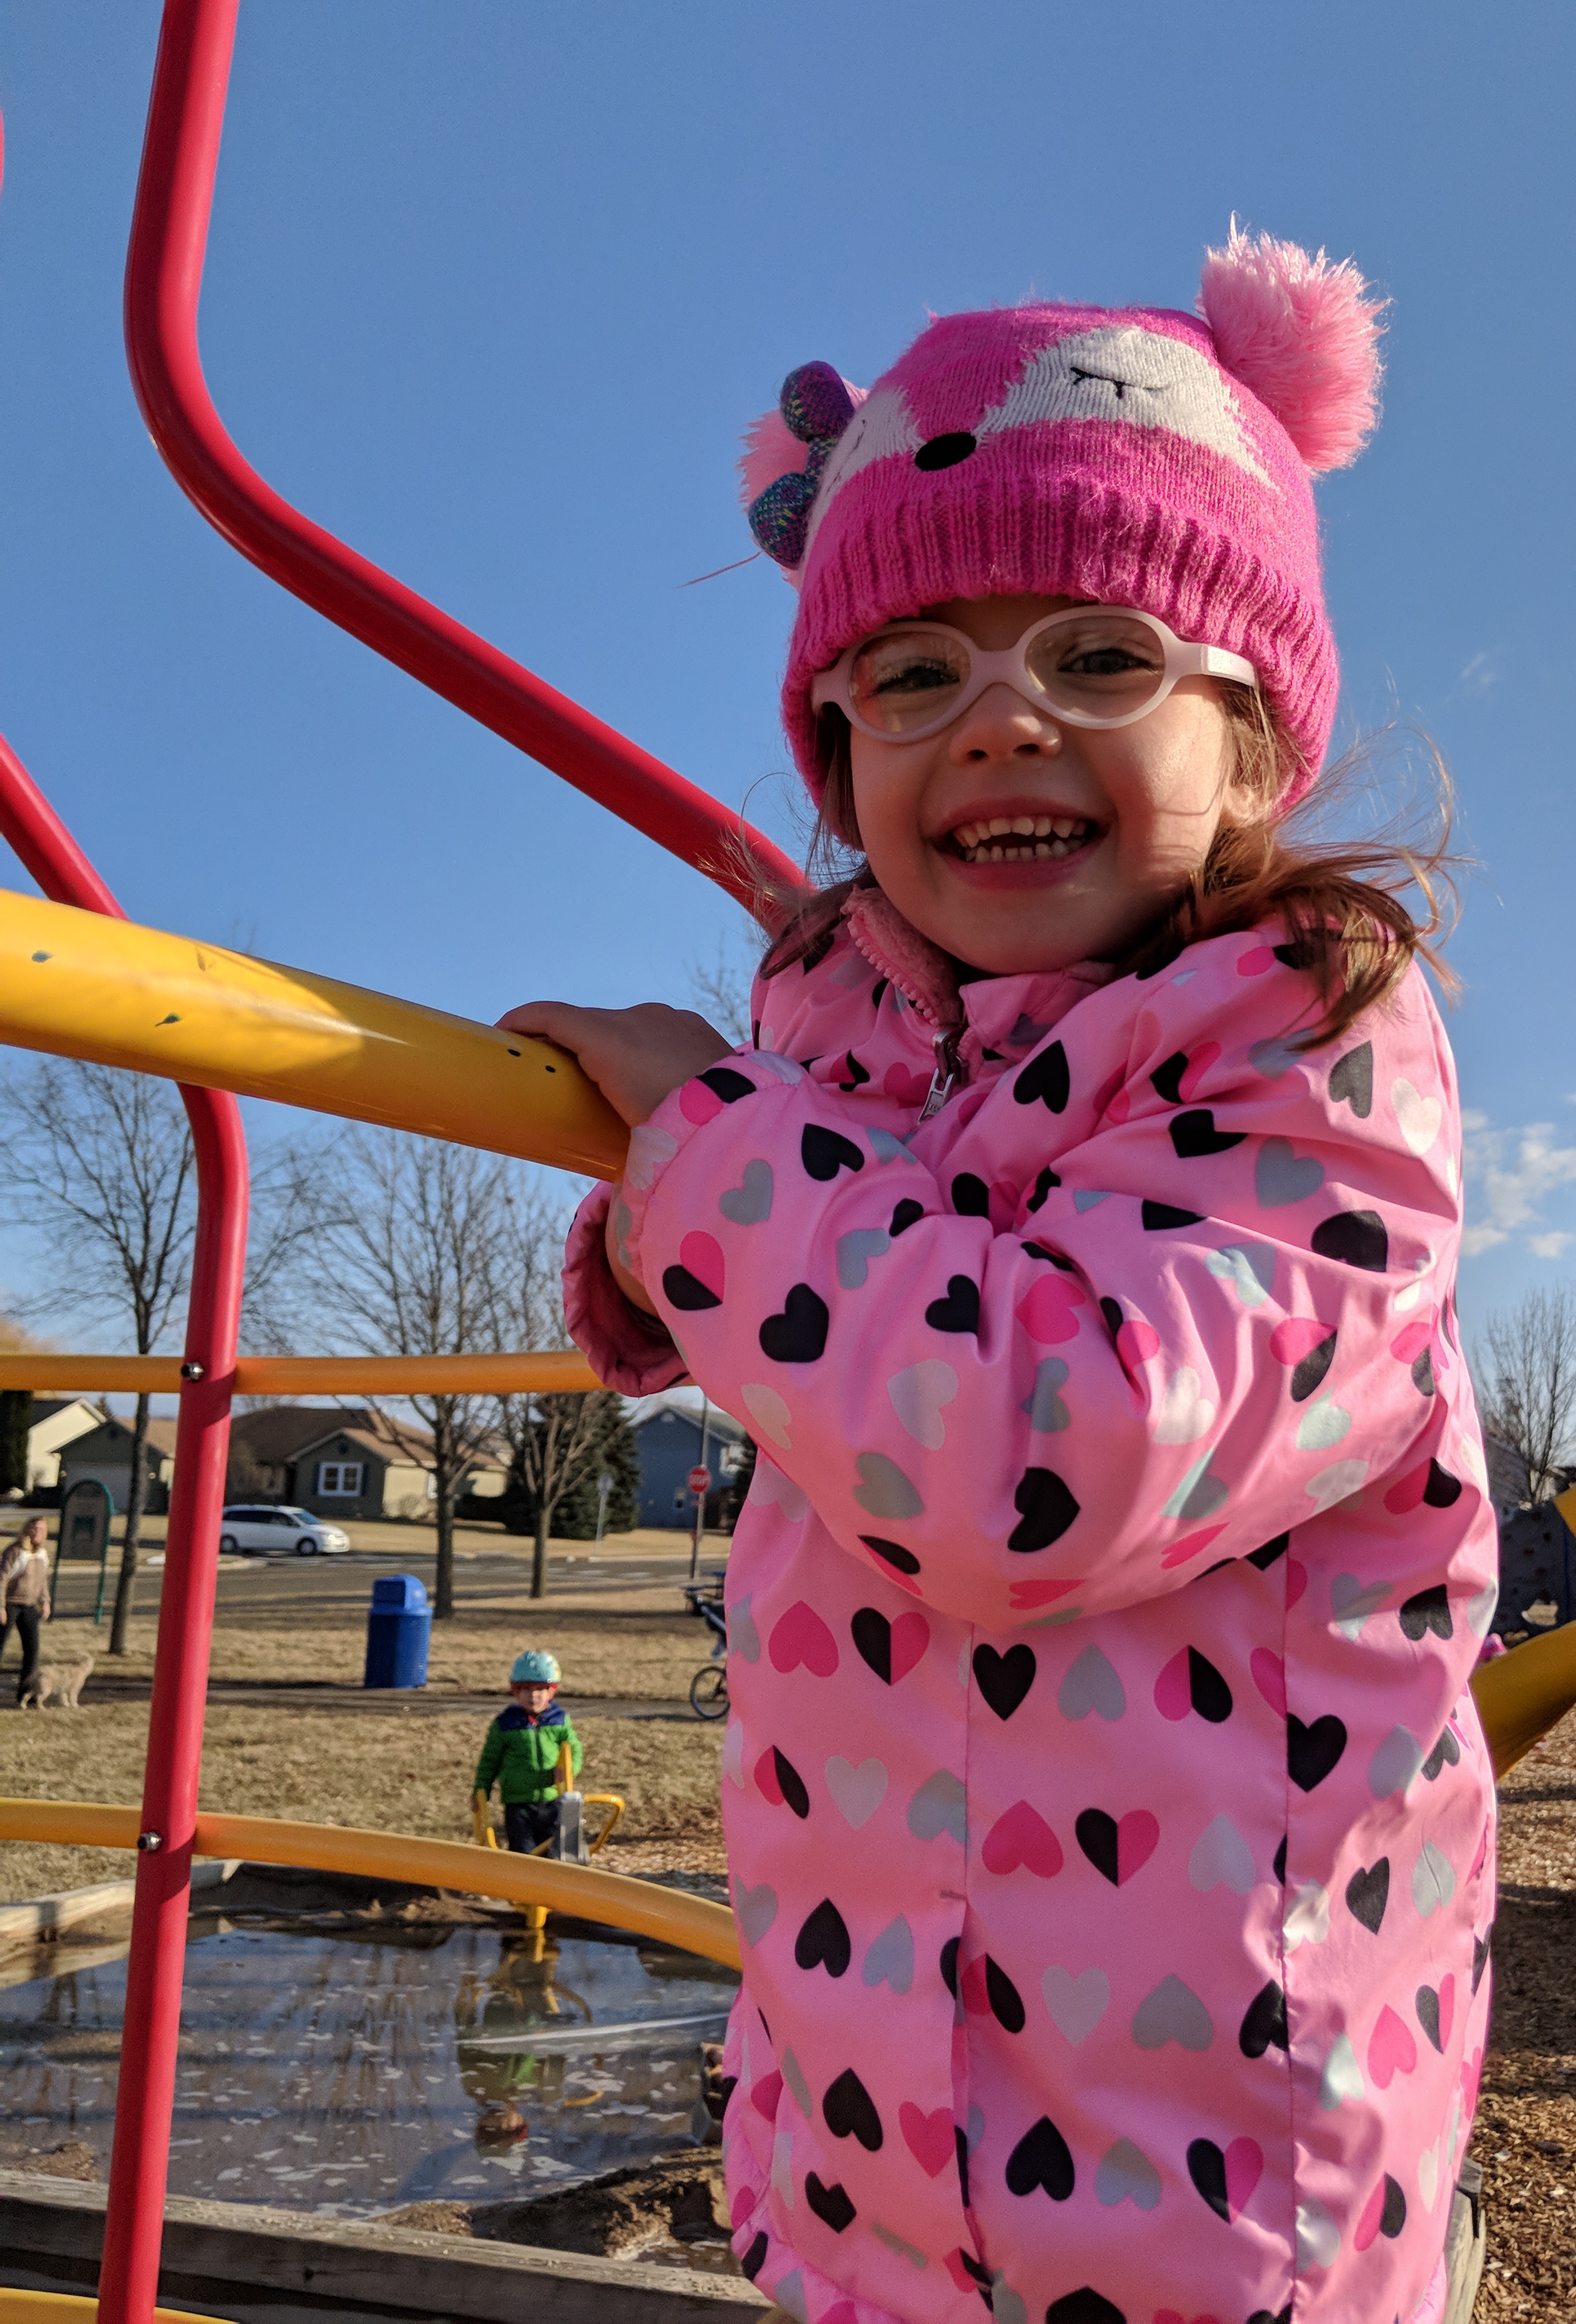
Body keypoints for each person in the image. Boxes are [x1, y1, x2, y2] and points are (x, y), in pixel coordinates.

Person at [505, 232, 1496, 2324]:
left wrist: (709, 1156)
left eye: (1100, 654)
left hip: (1208, 2197)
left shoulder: (1309, 1056)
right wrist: (671, 1217)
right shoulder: (850, 1054)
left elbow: (1042, 1456)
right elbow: (847, 1309)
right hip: (865, 2154)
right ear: (839, 749)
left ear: (1254, 741)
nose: (998, 720)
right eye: (911, 674)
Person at [473, 1649, 582, 1856]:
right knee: (524, 1852)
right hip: (519, 1803)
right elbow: (489, 1761)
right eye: (526, 1689)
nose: (533, 1696)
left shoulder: (559, 1721)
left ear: (551, 1692)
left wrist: (570, 1770)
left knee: (553, 1853)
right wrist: (481, 1791)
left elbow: (574, 1748)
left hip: (552, 1800)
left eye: (540, 1689)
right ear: (515, 1691)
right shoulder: (505, 1724)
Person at [1, 1516, 52, 1708]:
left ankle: (26, 1695)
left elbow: (42, 1580)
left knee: (32, 1651)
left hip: (30, 1607)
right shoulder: (15, 1551)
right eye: (35, 1528)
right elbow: (2, 1579)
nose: (38, 1532)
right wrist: (1, 1607)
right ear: (27, 1530)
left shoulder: (42, 1555)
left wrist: (45, 1601)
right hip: (10, 1605)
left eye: (42, 1529)